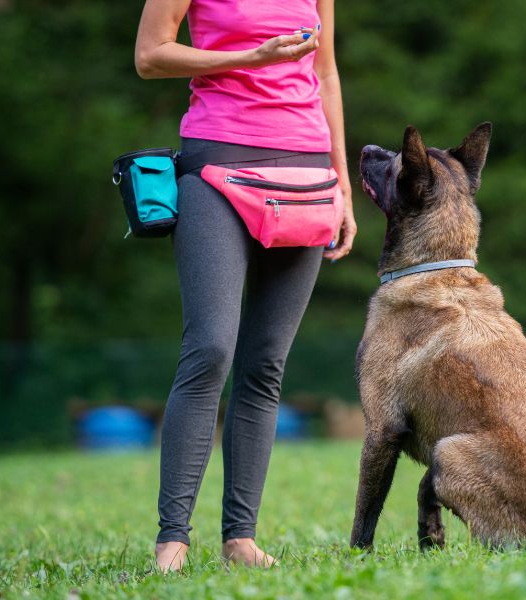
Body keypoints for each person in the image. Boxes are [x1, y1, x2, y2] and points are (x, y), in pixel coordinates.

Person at [133, 0, 356, 572]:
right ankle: (172, 539)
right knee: (210, 348)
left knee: (265, 365)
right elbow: (150, 56)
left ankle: (241, 537)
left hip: (306, 171)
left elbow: (325, 72)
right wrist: (249, 57)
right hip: (216, 164)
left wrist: (343, 185)